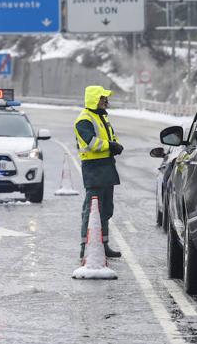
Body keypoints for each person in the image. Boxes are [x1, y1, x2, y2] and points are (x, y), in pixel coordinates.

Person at [74, 85, 124, 261]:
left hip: (106, 166)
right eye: (103, 99)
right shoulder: (84, 120)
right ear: (95, 99)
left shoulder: (101, 117)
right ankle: (85, 246)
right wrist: (111, 146)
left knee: (106, 209)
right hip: (94, 169)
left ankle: (103, 244)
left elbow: (110, 136)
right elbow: (91, 143)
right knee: (92, 210)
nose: (106, 102)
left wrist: (115, 144)